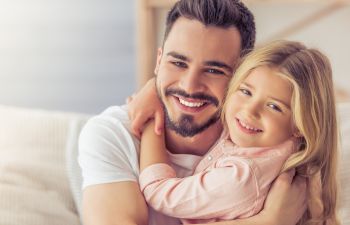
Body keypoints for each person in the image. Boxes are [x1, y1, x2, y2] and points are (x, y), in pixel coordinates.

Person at [78, 1, 307, 225]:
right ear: (159, 61)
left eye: (213, 70)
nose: (189, 86)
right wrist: (269, 221)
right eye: (178, 63)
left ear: (242, 74)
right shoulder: (113, 133)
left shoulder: (267, 140)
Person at [137, 40, 339, 225]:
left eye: (274, 106)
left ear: (300, 125)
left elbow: (159, 192)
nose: (250, 110)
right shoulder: (279, 144)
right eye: (246, 92)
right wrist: (153, 87)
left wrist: (153, 118)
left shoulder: (243, 177)